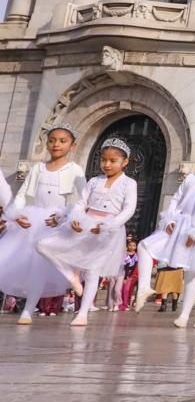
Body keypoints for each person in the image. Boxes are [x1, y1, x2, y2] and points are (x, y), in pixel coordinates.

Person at [36, 137, 138, 326]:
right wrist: (75, 218)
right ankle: (70, 275)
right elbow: (81, 202)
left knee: (93, 271)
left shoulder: (129, 183)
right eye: (103, 160)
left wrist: (109, 225)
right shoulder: (93, 181)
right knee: (43, 245)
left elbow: (128, 209)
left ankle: (82, 313)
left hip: (107, 229)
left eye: (112, 161)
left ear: (125, 162)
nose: (107, 164)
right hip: (86, 222)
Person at [132, 138, 195, 327]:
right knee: (144, 246)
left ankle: (184, 315)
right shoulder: (191, 178)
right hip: (179, 225)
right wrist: (169, 218)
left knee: (192, 273)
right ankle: (144, 287)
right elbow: (176, 199)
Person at [0, 125, 86, 324]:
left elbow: (84, 198)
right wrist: (16, 215)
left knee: (42, 264)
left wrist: (65, 216)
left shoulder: (75, 170)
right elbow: (22, 195)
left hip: (55, 221)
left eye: (62, 141)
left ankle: (30, 310)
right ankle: (26, 310)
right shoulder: (38, 168)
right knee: (31, 266)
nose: (56, 144)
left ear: (73, 145)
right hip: (34, 219)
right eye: (52, 140)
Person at [117, 239, 140, 310]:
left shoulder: (136, 255)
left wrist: (128, 276)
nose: (132, 247)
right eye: (130, 245)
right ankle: (119, 304)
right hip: (122, 272)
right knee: (120, 289)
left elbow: (134, 266)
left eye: (134, 245)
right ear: (127, 246)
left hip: (130, 274)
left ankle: (125, 304)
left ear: (136, 247)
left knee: (126, 290)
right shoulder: (124, 254)